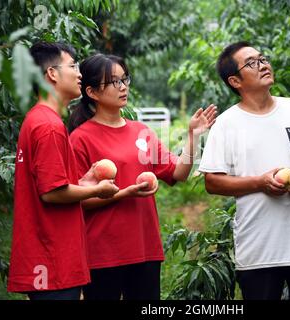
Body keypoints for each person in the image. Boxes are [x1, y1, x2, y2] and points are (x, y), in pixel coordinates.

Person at [67, 53, 217, 300]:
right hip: (102, 252)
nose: (123, 86)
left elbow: (178, 172)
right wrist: (125, 193)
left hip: (145, 248)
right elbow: (76, 200)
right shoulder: (80, 138)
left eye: (125, 79)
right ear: (92, 92)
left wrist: (194, 137)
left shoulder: (141, 131)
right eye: (114, 82)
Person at [198, 41, 290, 300]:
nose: (263, 65)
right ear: (235, 81)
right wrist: (260, 182)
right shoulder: (226, 124)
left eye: (263, 59)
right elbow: (212, 182)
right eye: (252, 63)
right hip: (260, 251)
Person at [7, 42, 119, 300]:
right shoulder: (48, 126)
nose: (79, 73)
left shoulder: (38, 119)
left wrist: (85, 181)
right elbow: (51, 194)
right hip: (52, 261)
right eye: (72, 66)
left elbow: (51, 186)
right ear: (52, 74)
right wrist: (99, 190)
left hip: (48, 262)